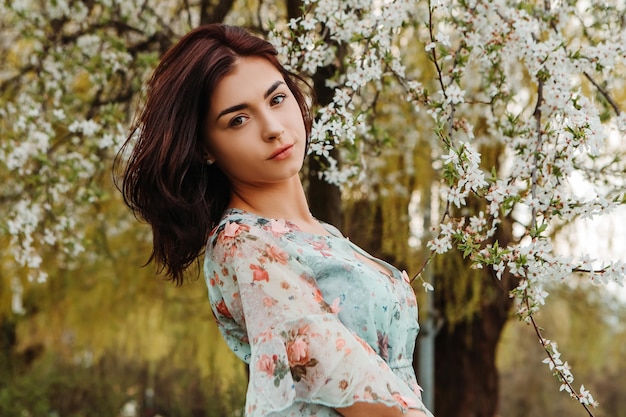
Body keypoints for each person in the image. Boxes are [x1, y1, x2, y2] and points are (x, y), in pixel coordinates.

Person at [116, 23, 433, 417]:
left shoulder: (323, 236)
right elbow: (340, 372)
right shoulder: (243, 243)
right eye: (238, 120)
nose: (272, 128)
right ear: (204, 149)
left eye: (277, 99)